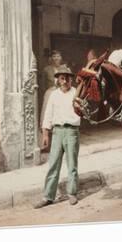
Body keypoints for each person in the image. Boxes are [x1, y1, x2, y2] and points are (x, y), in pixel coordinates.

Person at [34, 66, 81, 208]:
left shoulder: (76, 93)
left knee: (72, 164)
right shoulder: (54, 95)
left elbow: (83, 111)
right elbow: (48, 114)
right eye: (62, 78)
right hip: (57, 132)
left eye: (67, 77)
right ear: (58, 80)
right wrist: (46, 134)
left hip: (72, 131)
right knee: (53, 164)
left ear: (71, 79)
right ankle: (48, 196)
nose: (65, 80)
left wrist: (81, 106)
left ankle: (72, 193)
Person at [39, 50, 66, 151]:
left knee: (61, 116)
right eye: (54, 56)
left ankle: (62, 143)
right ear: (51, 58)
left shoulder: (64, 68)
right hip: (50, 94)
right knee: (48, 116)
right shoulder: (46, 69)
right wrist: (48, 91)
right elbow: (42, 85)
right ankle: (48, 143)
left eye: (58, 56)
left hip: (62, 94)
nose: (56, 58)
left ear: (61, 57)